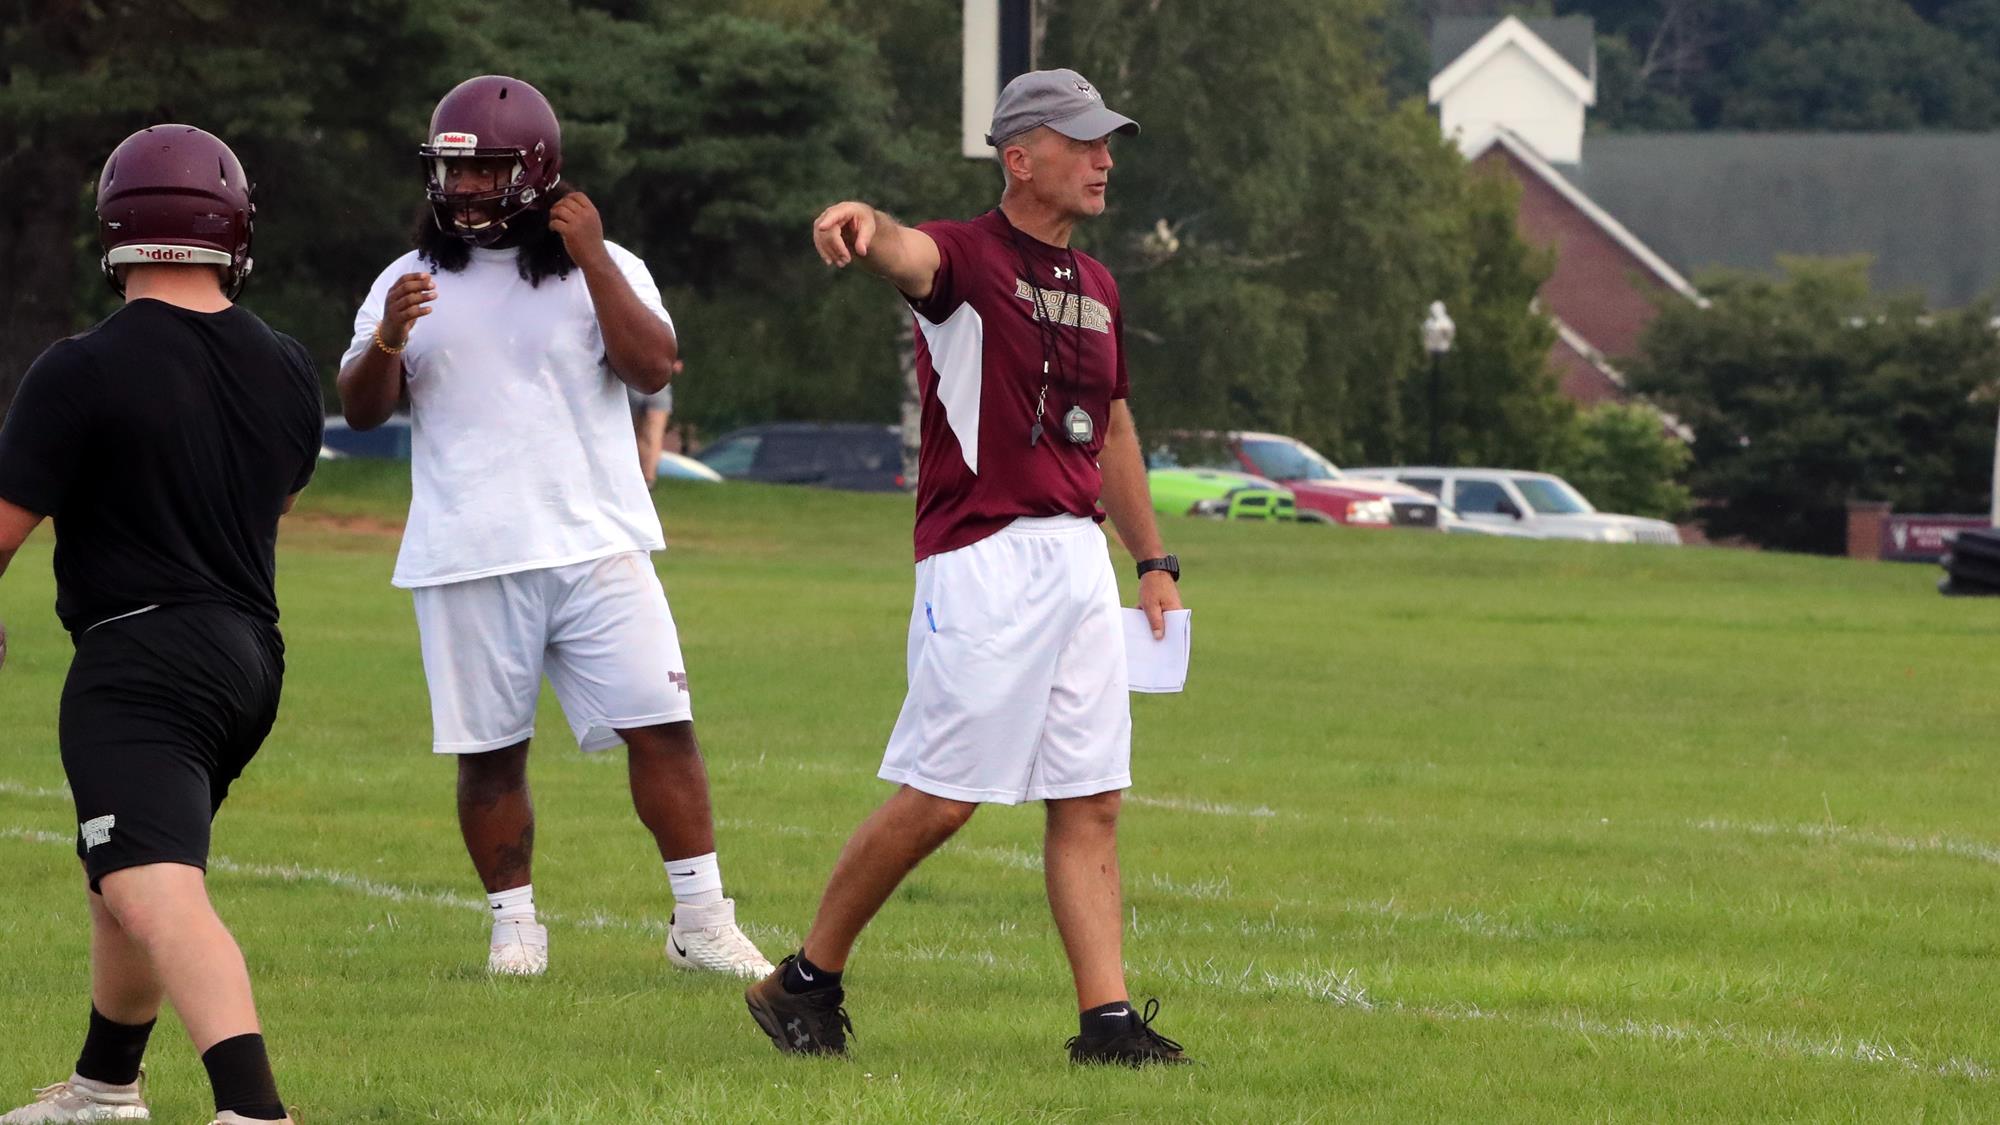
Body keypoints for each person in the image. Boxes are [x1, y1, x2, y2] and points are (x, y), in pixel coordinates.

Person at [744, 69, 1189, 1066]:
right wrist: (861, 220)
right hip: (981, 561)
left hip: (1076, 560)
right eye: (1081, 142)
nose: (1103, 158)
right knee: (944, 796)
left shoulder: (1100, 286)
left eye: (1106, 141)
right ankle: (805, 978)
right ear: (1018, 156)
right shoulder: (965, 258)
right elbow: (902, 250)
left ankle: (1106, 1023)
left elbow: (1112, 426)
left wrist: (1150, 558)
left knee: (1091, 796)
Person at [335, 75, 770, 980]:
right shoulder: (405, 279)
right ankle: (515, 927)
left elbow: (654, 366)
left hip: (597, 542)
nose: (462, 192)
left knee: (665, 725)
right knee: (490, 754)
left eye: (484, 173)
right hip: (467, 551)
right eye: (451, 175)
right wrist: (387, 340)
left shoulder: (602, 263)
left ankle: (700, 917)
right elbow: (364, 411)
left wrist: (598, 258)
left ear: (533, 172)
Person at [0, 125, 320, 1125]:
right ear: (234, 232)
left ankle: (253, 1108)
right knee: (125, 869)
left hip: (139, 654)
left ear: (115, 231)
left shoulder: (79, 368)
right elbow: (261, 496)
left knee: (153, 888)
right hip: (248, 661)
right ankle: (103, 1088)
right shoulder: (287, 367)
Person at [632, 383, 673, 485]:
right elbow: (677, 367)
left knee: (636, 435)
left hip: (632, 385)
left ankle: (637, 475)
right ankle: (649, 478)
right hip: (659, 386)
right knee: (655, 436)